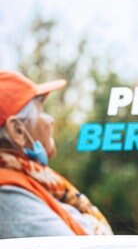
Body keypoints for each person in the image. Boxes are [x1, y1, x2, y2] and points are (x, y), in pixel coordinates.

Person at [0, 70, 113, 238]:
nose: (50, 119)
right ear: (17, 131)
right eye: (40, 110)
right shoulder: (7, 195)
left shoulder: (33, 183)